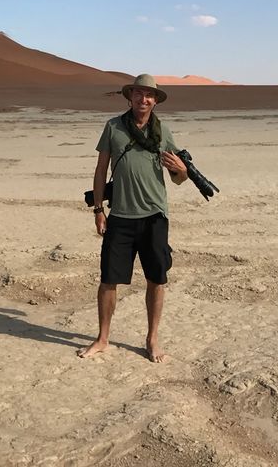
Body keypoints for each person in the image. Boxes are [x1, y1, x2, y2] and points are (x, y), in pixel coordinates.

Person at [77, 73, 188, 363]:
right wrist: (99, 210)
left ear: (155, 101)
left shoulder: (163, 132)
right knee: (108, 280)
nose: (143, 99)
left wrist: (181, 169)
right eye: (138, 94)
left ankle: (152, 339)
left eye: (149, 95)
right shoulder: (113, 127)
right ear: (130, 97)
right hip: (121, 217)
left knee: (156, 279)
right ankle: (102, 338)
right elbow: (101, 170)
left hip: (154, 216)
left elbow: (178, 180)